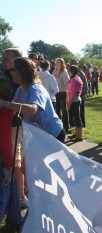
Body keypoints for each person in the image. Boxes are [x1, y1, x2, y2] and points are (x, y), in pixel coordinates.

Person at [0, 57, 65, 142]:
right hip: (41, 135)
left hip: (54, 134)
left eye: (13, 70)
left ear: (22, 71)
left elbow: (32, 109)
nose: (11, 73)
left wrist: (4, 103)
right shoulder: (20, 90)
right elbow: (13, 110)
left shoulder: (36, 89)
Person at [0, 77, 27, 208]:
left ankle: (21, 197)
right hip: (18, 131)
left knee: (15, 166)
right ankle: (21, 195)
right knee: (19, 164)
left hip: (13, 133)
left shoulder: (7, 108)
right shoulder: (12, 105)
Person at [66, 65, 83, 142]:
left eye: (69, 70)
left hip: (74, 101)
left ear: (71, 71)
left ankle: (79, 136)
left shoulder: (73, 80)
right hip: (77, 100)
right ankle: (76, 134)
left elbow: (72, 93)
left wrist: (69, 103)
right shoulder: (77, 78)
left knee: (77, 119)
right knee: (76, 118)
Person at [52, 58, 70, 132]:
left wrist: (67, 95)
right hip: (56, 93)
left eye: (58, 62)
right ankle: (59, 127)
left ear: (62, 64)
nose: (56, 64)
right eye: (56, 62)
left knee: (64, 110)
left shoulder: (64, 72)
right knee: (57, 111)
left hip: (62, 93)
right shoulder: (54, 71)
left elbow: (67, 85)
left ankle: (66, 127)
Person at [71, 59, 88, 128]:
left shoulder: (81, 73)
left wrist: (84, 94)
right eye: (74, 63)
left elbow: (85, 84)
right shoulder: (69, 73)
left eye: (76, 63)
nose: (75, 64)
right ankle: (73, 124)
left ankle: (82, 125)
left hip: (80, 95)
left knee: (81, 110)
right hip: (72, 95)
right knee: (72, 111)